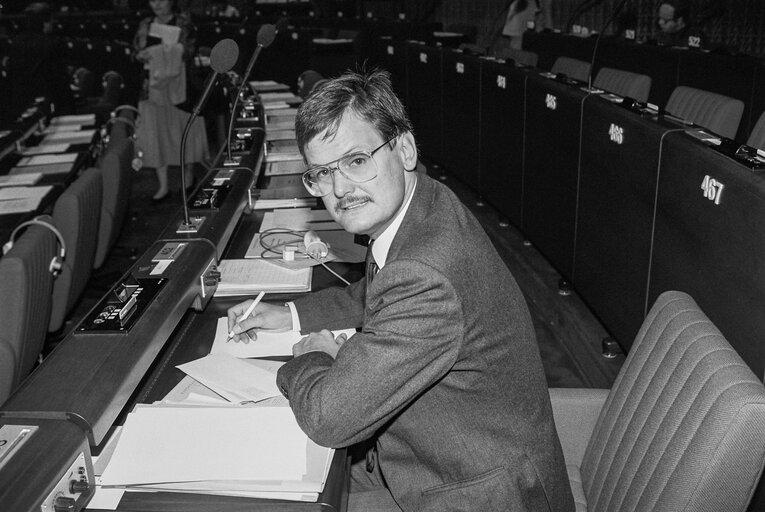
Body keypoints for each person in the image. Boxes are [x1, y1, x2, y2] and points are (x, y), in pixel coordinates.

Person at [227, 70, 574, 512]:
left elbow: (329, 417)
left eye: (356, 161)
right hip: (437, 453)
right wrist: (291, 314)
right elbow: (378, 292)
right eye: (320, 173)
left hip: (476, 492)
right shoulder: (424, 205)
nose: (338, 190)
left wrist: (309, 356)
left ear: (404, 149)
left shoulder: (427, 271)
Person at [133, 0, 209, 201]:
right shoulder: (145, 24)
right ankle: (163, 186)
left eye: (161, 0)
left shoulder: (183, 22)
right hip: (153, 88)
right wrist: (142, 55)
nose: (156, 4)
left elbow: (190, 50)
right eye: (152, 0)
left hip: (181, 87)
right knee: (155, 134)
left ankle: (188, 179)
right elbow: (136, 51)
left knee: (184, 132)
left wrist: (169, 51)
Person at [4, 2, 74, 118]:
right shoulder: (53, 45)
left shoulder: (15, 43)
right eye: (51, 20)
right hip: (47, 104)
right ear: (45, 22)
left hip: (20, 104)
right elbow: (60, 81)